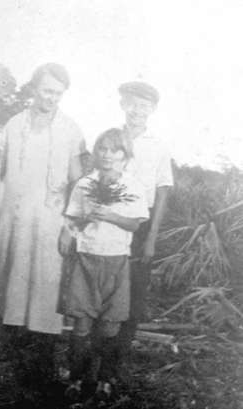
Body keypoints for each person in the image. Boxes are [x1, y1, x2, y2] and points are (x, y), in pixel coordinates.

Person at [0, 63, 86, 383]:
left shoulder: (71, 129)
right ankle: (17, 371)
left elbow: (77, 182)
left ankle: (43, 374)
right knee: (13, 285)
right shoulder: (13, 125)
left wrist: (70, 226)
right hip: (14, 219)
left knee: (47, 289)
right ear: (33, 88)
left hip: (50, 221)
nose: (52, 99)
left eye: (59, 94)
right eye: (47, 91)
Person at [60, 128, 149, 398]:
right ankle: (76, 378)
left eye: (115, 150)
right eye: (103, 149)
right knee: (82, 324)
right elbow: (72, 220)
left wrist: (111, 216)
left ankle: (104, 379)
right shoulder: (85, 183)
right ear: (96, 152)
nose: (108, 155)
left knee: (111, 325)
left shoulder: (132, 185)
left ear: (124, 154)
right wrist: (88, 217)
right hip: (87, 258)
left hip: (117, 260)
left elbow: (134, 223)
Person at [117, 81, 174, 363]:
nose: (136, 110)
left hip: (141, 225)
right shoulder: (111, 139)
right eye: (132, 103)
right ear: (122, 105)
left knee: (134, 293)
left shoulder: (159, 145)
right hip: (110, 223)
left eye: (143, 106)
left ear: (152, 110)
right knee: (106, 288)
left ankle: (119, 359)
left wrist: (151, 237)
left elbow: (163, 190)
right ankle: (97, 357)